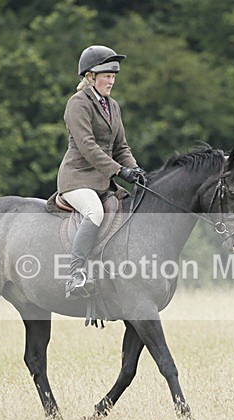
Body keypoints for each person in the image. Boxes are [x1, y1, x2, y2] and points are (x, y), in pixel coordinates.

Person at [57, 45, 145, 299]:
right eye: (106, 76)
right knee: (94, 212)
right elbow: (88, 147)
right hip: (78, 178)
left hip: (103, 181)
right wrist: (119, 171)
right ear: (90, 77)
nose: (111, 81)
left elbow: (121, 146)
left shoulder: (113, 106)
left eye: (113, 76)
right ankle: (75, 275)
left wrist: (134, 168)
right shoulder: (77, 104)